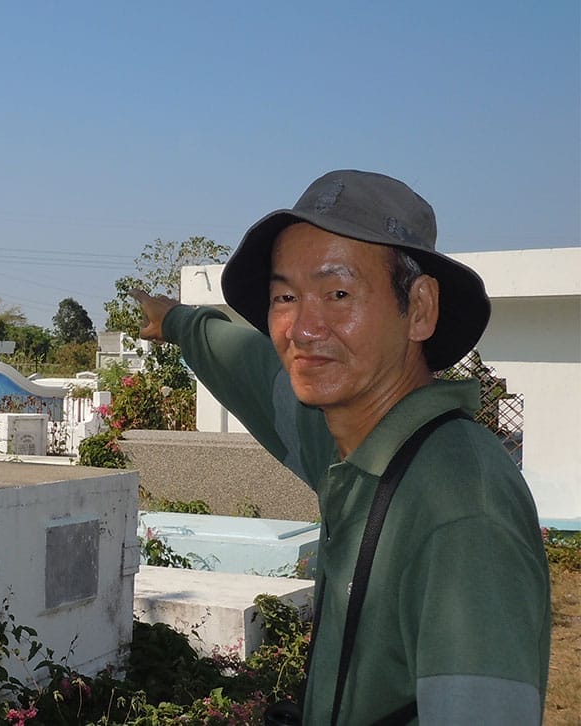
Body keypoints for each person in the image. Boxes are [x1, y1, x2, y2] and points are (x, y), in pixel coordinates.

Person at [132, 170, 550, 724]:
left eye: (338, 293)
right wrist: (177, 322)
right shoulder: (352, 445)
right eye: (285, 295)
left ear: (420, 308)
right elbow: (253, 371)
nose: (303, 327)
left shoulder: (460, 507)